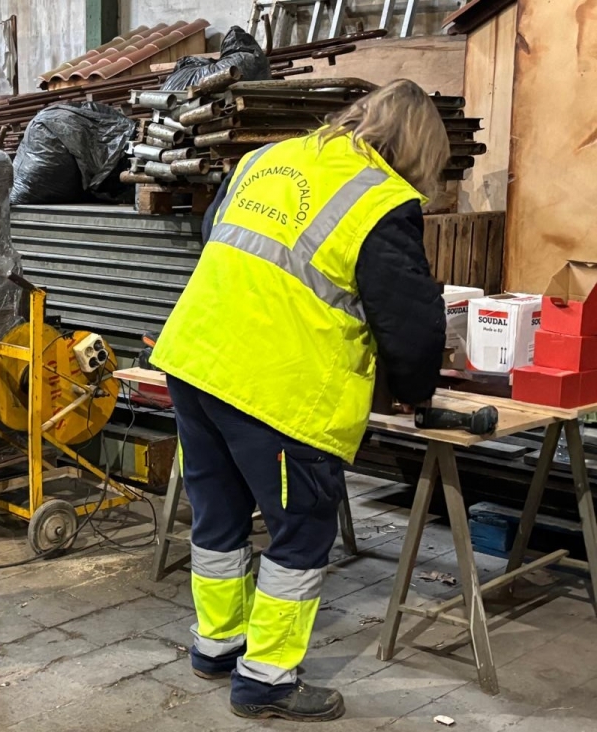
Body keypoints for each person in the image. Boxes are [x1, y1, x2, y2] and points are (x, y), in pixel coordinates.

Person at [150, 79, 448, 722]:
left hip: (196, 358)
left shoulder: (268, 158)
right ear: (421, 149)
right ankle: (265, 681)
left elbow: (218, 237)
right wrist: (417, 393)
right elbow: (410, 319)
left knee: (219, 516)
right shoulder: (382, 200)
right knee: (302, 531)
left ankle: (217, 646)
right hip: (275, 387)